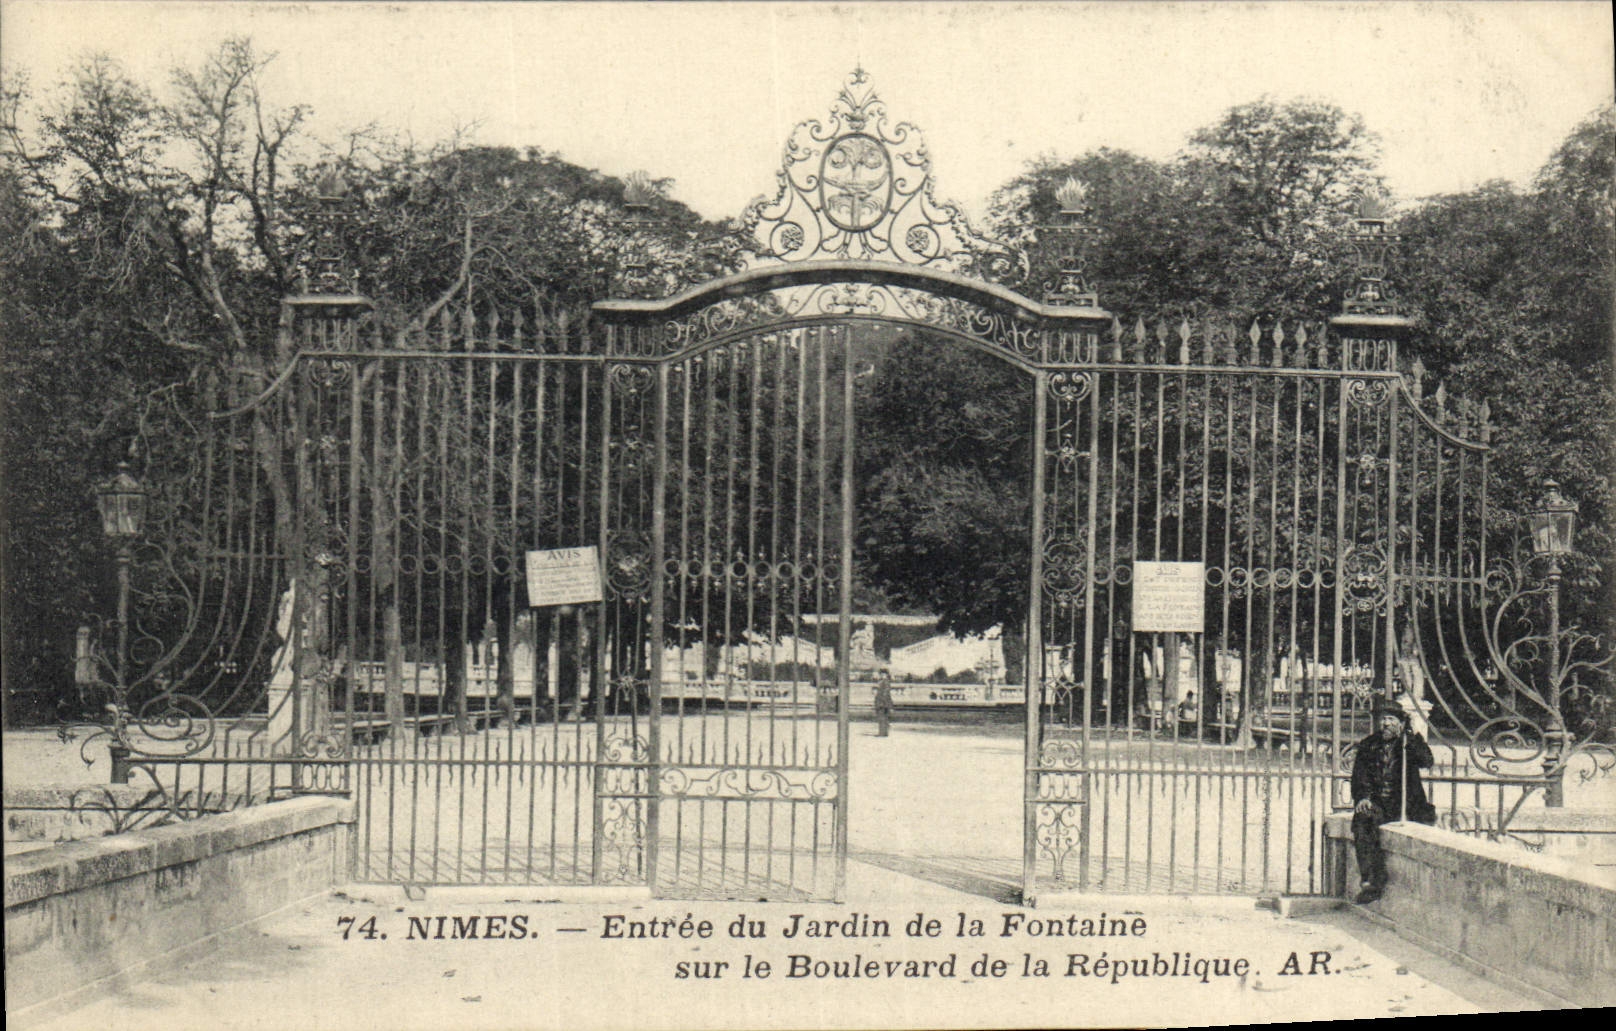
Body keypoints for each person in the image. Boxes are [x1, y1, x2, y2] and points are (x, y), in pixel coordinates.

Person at [1349, 695, 1436, 903]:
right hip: (1378, 804)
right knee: (1363, 820)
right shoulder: (1369, 745)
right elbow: (1359, 775)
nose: (1385, 723)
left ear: (1401, 722)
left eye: (1390, 719)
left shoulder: (1408, 744)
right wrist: (1363, 797)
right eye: (1383, 719)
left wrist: (1411, 736)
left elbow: (1426, 761)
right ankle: (1370, 880)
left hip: (1406, 805)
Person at [873, 669, 894, 737]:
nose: (882, 675)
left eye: (883, 674)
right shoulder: (883, 681)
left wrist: (881, 702)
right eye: (881, 674)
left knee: (882, 718)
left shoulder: (885, 682)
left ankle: (882, 733)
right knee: (884, 718)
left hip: (883, 702)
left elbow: (885, 693)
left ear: (886, 675)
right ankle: (884, 733)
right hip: (884, 702)